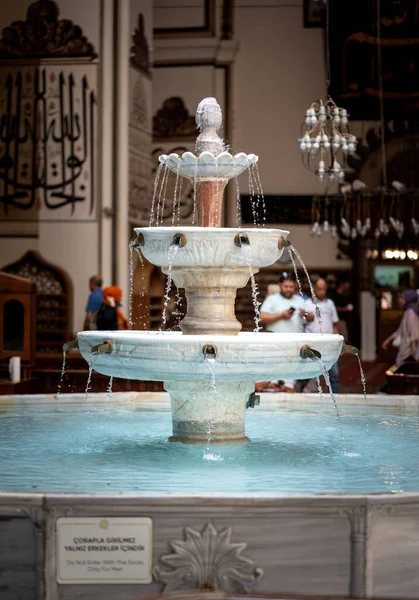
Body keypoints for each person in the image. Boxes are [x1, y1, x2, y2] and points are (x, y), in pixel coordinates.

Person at [257, 272, 312, 392]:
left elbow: (311, 318)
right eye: (286, 286)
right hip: (275, 341)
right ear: (280, 285)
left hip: (295, 342)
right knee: (273, 371)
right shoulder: (272, 299)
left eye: (291, 287)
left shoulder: (300, 300)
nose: (288, 289)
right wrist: (281, 316)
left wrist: (306, 315)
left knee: (291, 375)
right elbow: (262, 318)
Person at [303, 278, 340, 393]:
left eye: (324, 289)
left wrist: (338, 340)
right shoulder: (307, 304)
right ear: (314, 289)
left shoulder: (330, 304)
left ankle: (334, 399)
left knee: (333, 374)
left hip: (329, 345)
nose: (321, 292)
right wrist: (307, 317)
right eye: (319, 289)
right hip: (313, 345)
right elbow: (303, 322)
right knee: (311, 374)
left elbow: (334, 323)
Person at [382, 289, 419, 364]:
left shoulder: (411, 312)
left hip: (409, 349)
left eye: (402, 298)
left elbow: (413, 332)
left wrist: (414, 349)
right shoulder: (408, 311)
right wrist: (388, 340)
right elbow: (400, 330)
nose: (400, 300)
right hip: (406, 347)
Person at [329, 278, 353, 342]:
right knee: (340, 339)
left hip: (343, 320)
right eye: (345, 284)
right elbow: (334, 308)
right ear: (341, 285)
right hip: (337, 321)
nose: (347, 286)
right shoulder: (335, 295)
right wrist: (345, 309)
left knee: (344, 339)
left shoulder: (344, 295)